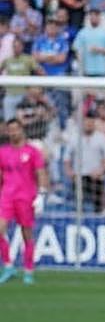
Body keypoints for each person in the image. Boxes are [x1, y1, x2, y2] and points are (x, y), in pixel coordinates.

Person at [0, 117, 48, 285]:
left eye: (16, 129)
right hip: (7, 196)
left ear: (22, 130)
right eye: (10, 130)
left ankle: (28, 271)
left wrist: (42, 194)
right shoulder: (3, 151)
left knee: (26, 235)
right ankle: (8, 266)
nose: (13, 132)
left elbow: (41, 173)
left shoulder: (33, 151)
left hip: (26, 197)